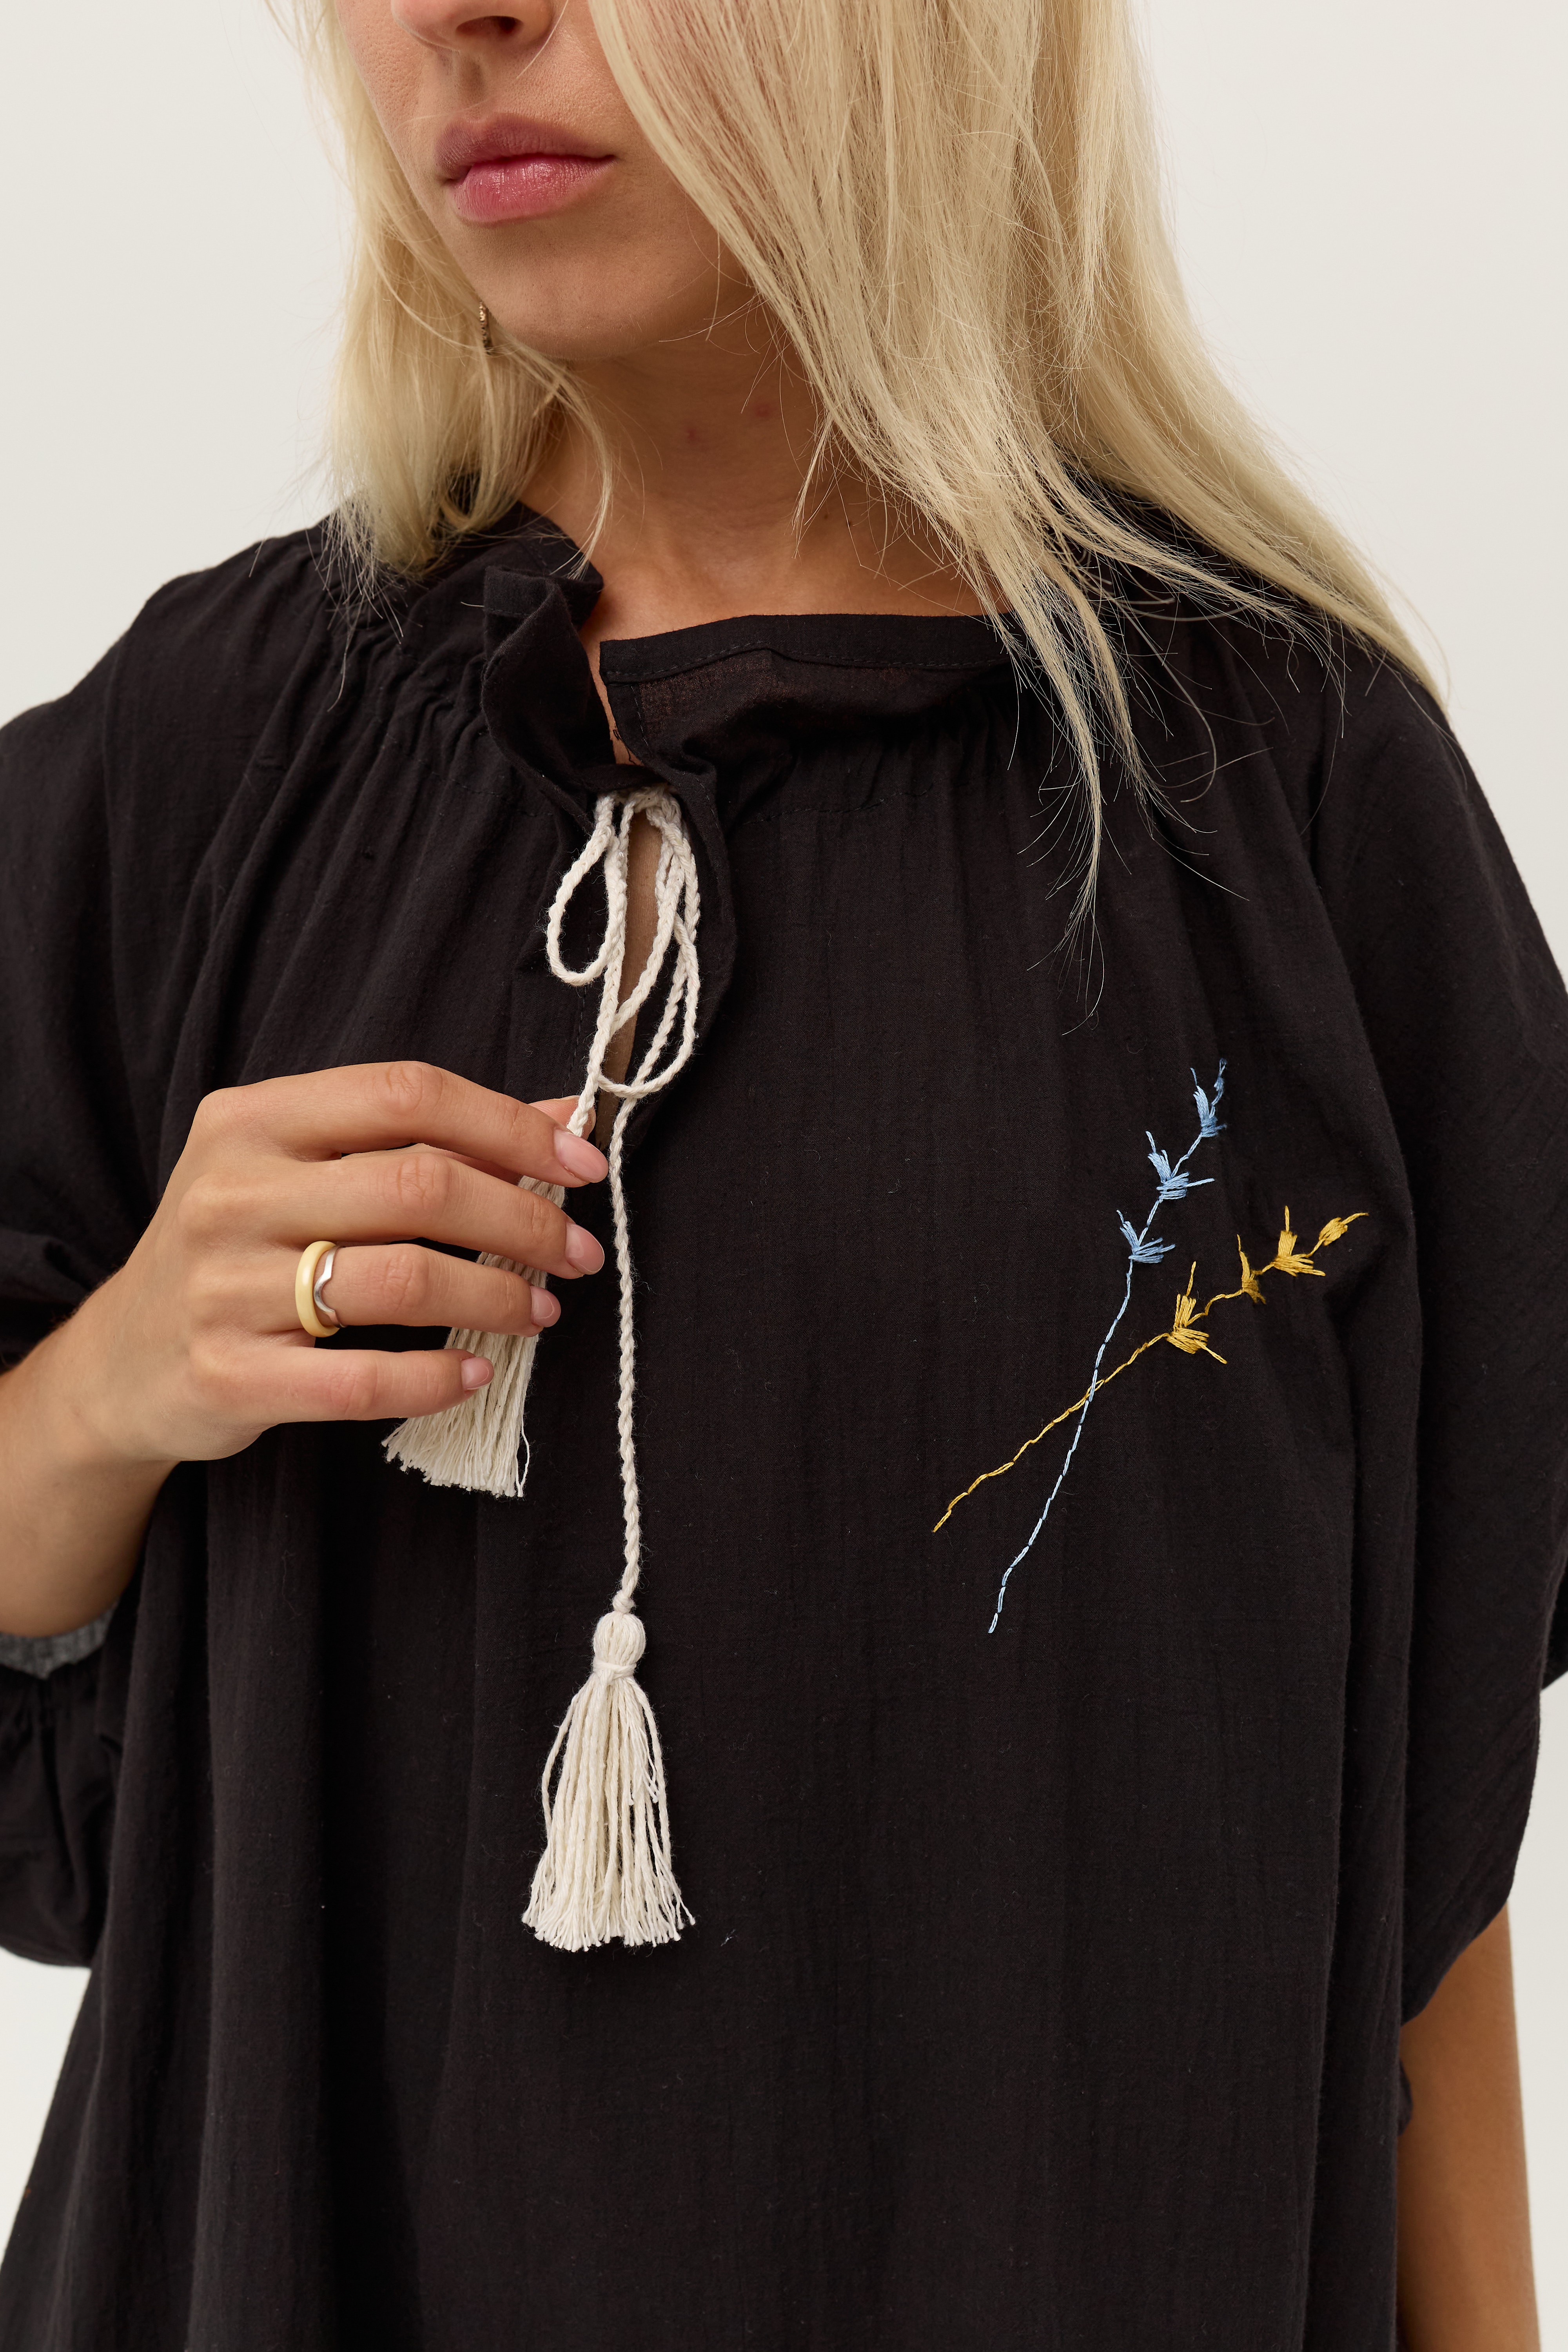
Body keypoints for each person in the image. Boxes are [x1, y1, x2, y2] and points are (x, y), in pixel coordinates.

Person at [0, 0, 1560, 2341]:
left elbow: (1422, 1812)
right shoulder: (221, 761)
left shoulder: (1281, 806)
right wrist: (108, 1385)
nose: (466, 14)